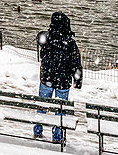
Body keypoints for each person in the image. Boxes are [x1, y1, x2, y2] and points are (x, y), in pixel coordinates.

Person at [34, 12, 83, 143]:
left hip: (47, 79)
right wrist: (77, 80)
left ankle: (38, 131)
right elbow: (76, 63)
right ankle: (57, 136)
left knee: (42, 106)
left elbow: (40, 44)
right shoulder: (70, 44)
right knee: (60, 110)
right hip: (63, 81)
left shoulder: (47, 38)